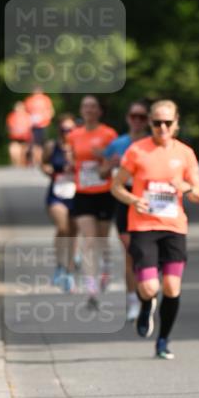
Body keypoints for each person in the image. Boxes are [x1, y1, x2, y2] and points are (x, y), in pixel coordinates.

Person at [111, 99, 199, 359]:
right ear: (150, 123)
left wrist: (185, 187)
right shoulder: (137, 151)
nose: (161, 127)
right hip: (143, 225)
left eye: (167, 122)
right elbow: (116, 186)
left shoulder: (185, 153)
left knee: (172, 288)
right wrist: (133, 200)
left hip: (174, 227)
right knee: (150, 288)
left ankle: (163, 339)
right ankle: (145, 305)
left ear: (176, 124)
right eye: (156, 123)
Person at [100, 101, 149, 321]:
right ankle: (134, 301)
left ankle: (147, 293)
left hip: (150, 202)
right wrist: (111, 164)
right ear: (128, 118)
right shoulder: (117, 143)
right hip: (124, 201)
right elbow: (102, 173)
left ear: (147, 120)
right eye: (133, 116)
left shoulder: (155, 144)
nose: (137, 121)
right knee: (130, 253)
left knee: (148, 254)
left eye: (142, 117)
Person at [66, 96, 117, 307]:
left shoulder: (108, 134)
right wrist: (71, 165)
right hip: (83, 192)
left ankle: (105, 266)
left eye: (93, 106)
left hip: (104, 192)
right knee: (89, 240)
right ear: (81, 110)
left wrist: (103, 157)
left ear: (99, 111)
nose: (89, 110)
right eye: (85, 106)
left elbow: (115, 161)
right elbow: (71, 159)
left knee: (102, 240)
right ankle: (91, 288)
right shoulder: (74, 135)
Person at [41, 113, 78, 290]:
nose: (67, 133)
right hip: (57, 193)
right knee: (63, 228)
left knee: (73, 232)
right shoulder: (51, 146)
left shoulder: (79, 147)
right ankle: (59, 264)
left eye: (71, 130)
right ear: (59, 130)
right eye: (64, 130)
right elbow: (43, 163)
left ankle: (69, 272)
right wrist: (49, 170)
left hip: (77, 193)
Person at [24, 86, 55, 166]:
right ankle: (39, 161)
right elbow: (51, 111)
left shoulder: (31, 100)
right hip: (40, 125)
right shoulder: (45, 99)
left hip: (39, 124)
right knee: (39, 144)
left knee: (37, 144)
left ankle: (38, 161)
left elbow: (26, 114)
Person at [5, 102, 32, 166]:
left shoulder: (27, 116)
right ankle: (16, 163)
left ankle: (22, 163)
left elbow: (30, 126)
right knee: (14, 151)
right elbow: (8, 126)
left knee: (23, 152)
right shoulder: (11, 116)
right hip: (14, 136)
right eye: (17, 107)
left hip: (25, 137)